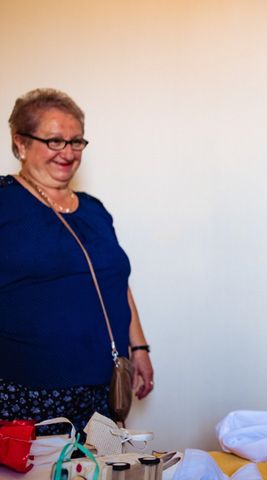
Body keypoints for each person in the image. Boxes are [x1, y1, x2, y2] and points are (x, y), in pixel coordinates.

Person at [0, 88, 154, 433]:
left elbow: (116, 282)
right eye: (54, 141)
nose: (67, 153)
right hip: (28, 394)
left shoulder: (95, 210)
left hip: (103, 389)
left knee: (101, 468)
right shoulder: (4, 202)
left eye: (76, 142)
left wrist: (139, 347)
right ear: (21, 143)